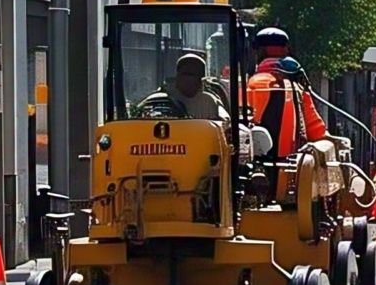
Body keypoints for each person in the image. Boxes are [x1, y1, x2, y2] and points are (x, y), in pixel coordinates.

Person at [246, 27, 327, 174]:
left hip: (255, 170)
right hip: (292, 170)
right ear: (286, 52)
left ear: (260, 52)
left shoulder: (254, 84)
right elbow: (316, 130)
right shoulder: (297, 88)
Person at [139, 53, 227, 120]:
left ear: (201, 79)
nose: (188, 79)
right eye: (185, 74)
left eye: (192, 74)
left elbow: (223, 124)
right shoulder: (160, 99)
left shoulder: (209, 102)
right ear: (177, 76)